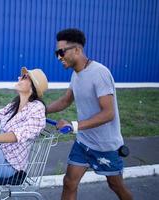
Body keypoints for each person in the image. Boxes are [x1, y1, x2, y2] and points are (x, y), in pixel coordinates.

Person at [47, 28, 133, 200]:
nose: (59, 57)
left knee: (115, 185)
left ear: (77, 50)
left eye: (61, 52)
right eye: (56, 53)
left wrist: (74, 126)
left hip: (105, 145)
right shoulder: (76, 74)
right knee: (69, 182)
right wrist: (40, 109)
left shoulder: (99, 73)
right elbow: (65, 101)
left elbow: (108, 113)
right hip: (84, 143)